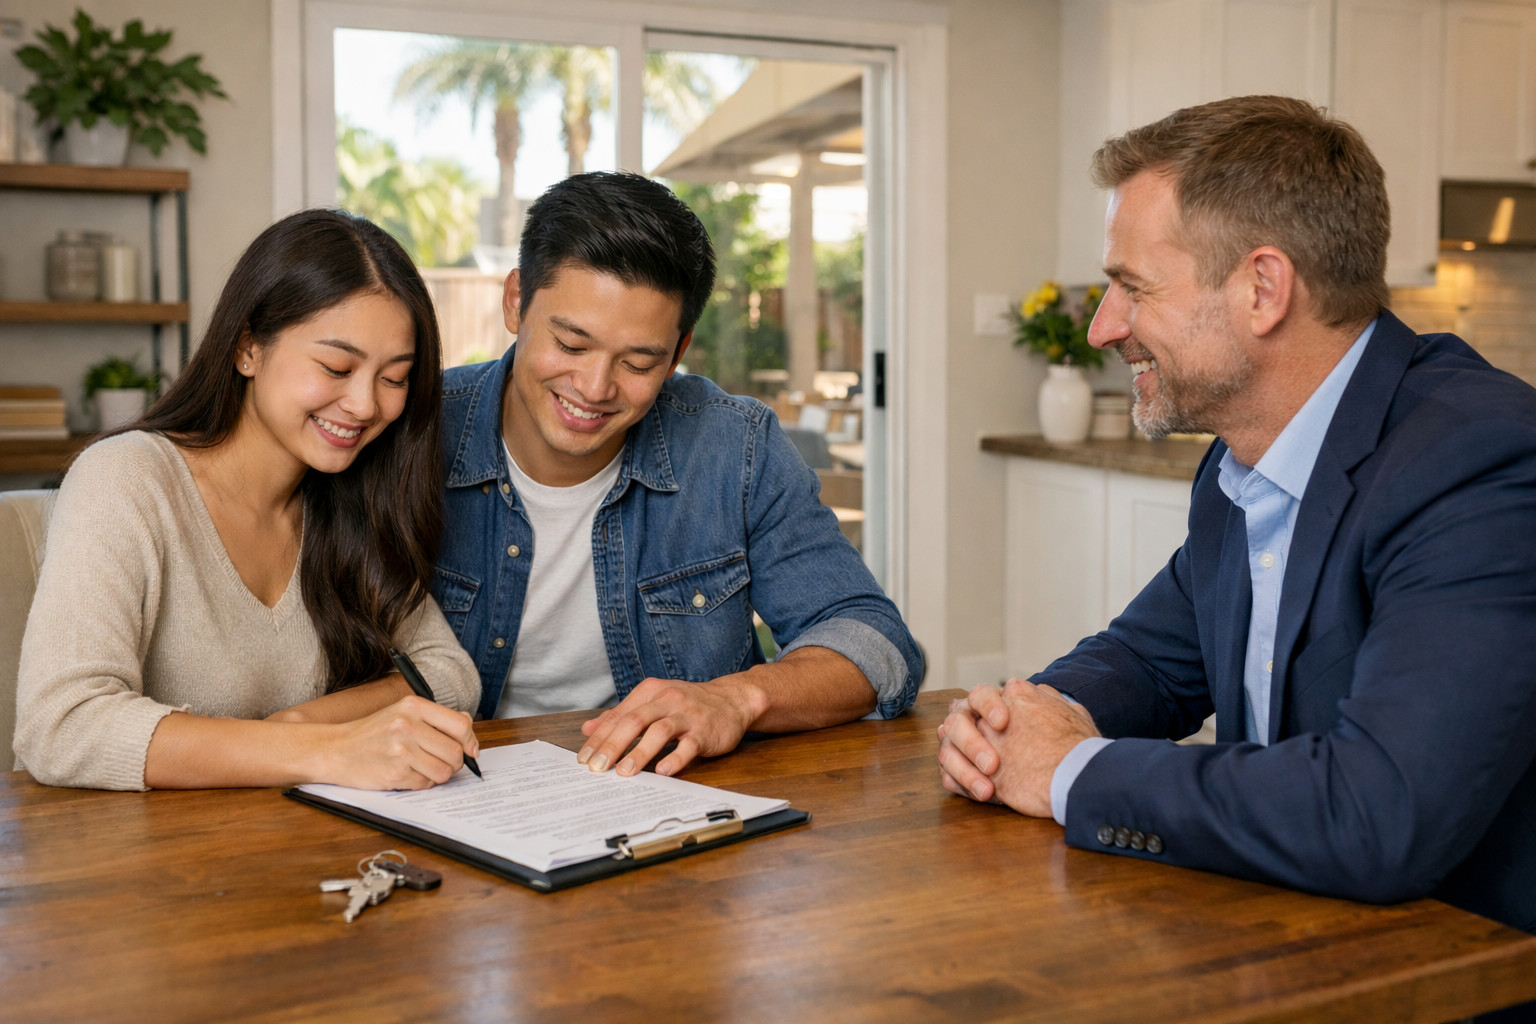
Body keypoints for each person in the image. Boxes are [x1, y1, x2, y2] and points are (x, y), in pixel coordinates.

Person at [938, 95, 1536, 937]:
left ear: (1262, 288)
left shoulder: (1479, 463)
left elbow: (1378, 815)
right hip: (1289, 940)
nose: (1106, 327)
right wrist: (1015, 722)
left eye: (1131, 287)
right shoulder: (1243, 456)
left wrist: (1071, 769)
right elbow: (1151, 659)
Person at [434, 171, 922, 779]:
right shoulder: (415, 432)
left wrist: (737, 698)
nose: (594, 389)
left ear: (679, 350)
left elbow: (876, 643)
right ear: (515, 301)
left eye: (639, 361)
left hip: (673, 802)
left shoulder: (734, 446)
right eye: (572, 343)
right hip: (453, 798)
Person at [15, 209, 481, 791]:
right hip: (125, 862)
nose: (365, 405)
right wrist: (323, 749)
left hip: (271, 854)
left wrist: (301, 723)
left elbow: (451, 673)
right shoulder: (125, 478)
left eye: (394, 378)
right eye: (337, 366)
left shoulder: (350, 495)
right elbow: (62, 726)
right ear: (248, 349)